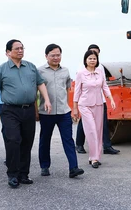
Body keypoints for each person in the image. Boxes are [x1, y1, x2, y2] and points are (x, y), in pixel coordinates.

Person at [0, 39, 52, 188]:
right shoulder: (1, 69)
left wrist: (47, 100)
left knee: (27, 141)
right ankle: (12, 174)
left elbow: (40, 83)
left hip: (28, 109)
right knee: (13, 140)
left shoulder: (30, 67)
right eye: (16, 48)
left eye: (22, 48)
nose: (20, 51)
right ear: (8, 52)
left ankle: (24, 174)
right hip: (10, 110)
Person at [38, 44, 84, 178]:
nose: (56, 57)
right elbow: (36, 90)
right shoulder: (39, 71)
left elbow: (68, 89)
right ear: (46, 56)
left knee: (68, 139)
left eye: (58, 55)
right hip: (46, 112)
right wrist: (36, 109)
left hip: (64, 112)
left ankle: (73, 168)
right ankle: (44, 166)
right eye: (53, 55)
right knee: (45, 139)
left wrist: (72, 107)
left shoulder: (65, 71)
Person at [73, 49, 116, 168]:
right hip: (85, 105)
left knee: (98, 131)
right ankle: (93, 158)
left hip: (98, 104)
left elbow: (105, 87)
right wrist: (75, 108)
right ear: (85, 60)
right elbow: (77, 92)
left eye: (94, 58)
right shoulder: (81, 73)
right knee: (91, 130)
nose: (92, 60)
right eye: (90, 58)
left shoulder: (100, 72)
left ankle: (96, 157)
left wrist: (111, 99)